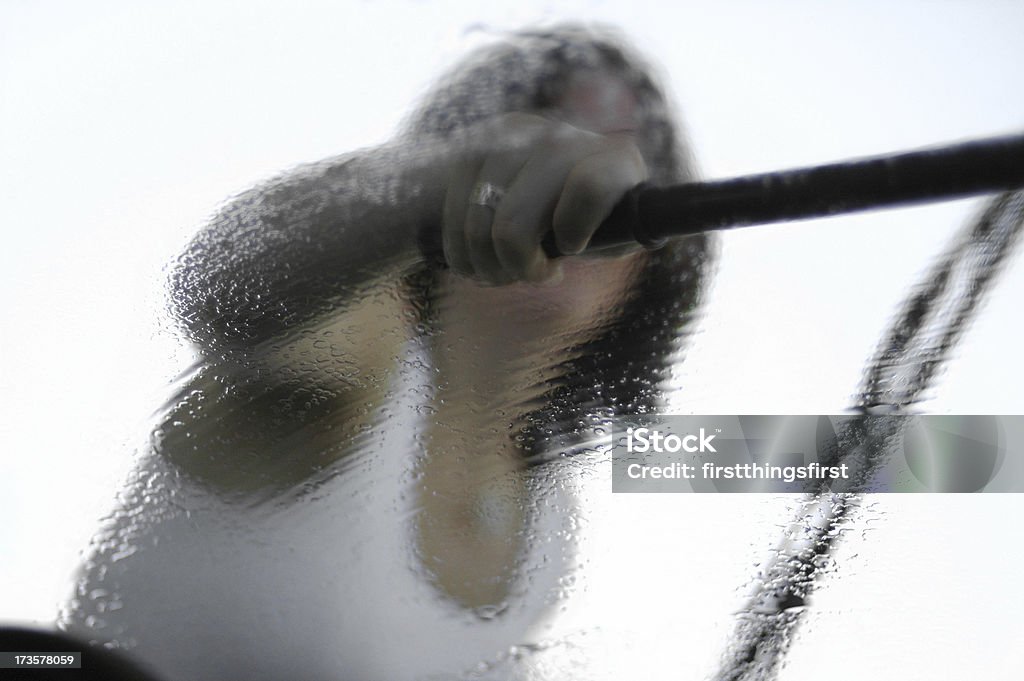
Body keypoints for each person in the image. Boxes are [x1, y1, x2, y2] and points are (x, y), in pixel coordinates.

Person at [60, 24, 714, 681]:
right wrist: (439, 181)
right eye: (548, 152)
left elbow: (777, 452)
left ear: (653, 258)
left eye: (623, 180)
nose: (576, 192)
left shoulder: (550, 508)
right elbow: (228, 295)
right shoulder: (367, 350)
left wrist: (809, 455)